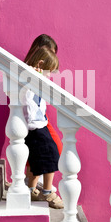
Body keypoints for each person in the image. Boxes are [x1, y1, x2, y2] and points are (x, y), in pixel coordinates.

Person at [21, 45, 64, 209]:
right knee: (49, 155)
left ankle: (31, 189)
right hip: (34, 127)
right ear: (39, 65)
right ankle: (47, 191)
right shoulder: (28, 79)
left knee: (36, 160)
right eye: (48, 71)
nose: (49, 76)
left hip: (40, 123)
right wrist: (33, 73)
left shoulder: (38, 81)